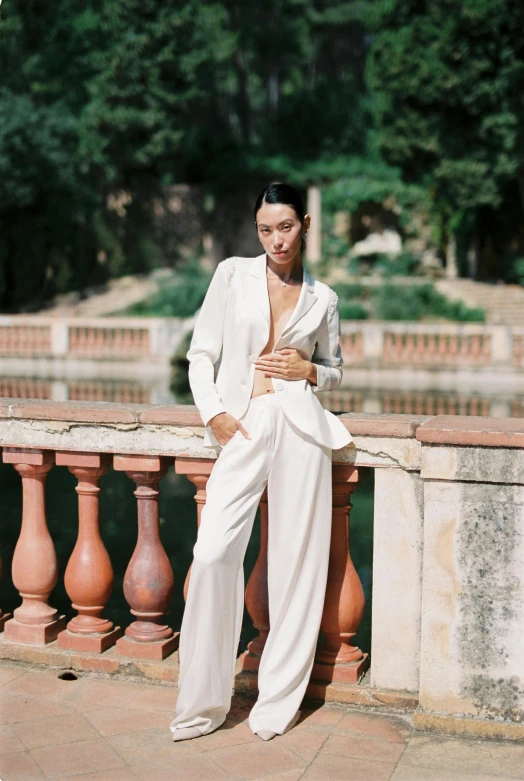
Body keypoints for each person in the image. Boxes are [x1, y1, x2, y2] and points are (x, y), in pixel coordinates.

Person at [170, 182, 353, 743]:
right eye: (265, 229)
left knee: (297, 564)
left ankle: (277, 701)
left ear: (305, 224)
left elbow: (336, 369)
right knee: (213, 552)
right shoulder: (231, 274)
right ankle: (202, 705)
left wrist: (310, 373)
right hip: (243, 424)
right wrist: (215, 416)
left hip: (300, 428)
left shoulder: (324, 298)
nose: (276, 239)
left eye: (286, 227)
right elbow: (201, 354)